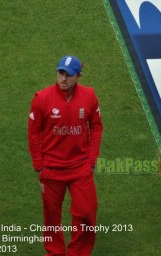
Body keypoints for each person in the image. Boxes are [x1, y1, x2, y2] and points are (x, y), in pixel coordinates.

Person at [28, 55, 103, 256]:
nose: (63, 78)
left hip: (80, 168)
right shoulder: (41, 98)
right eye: (60, 73)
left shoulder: (89, 96)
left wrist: (91, 160)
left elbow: (96, 127)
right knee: (52, 218)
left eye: (68, 75)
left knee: (87, 213)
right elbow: (33, 132)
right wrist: (39, 165)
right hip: (51, 169)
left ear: (78, 76)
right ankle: (55, 253)